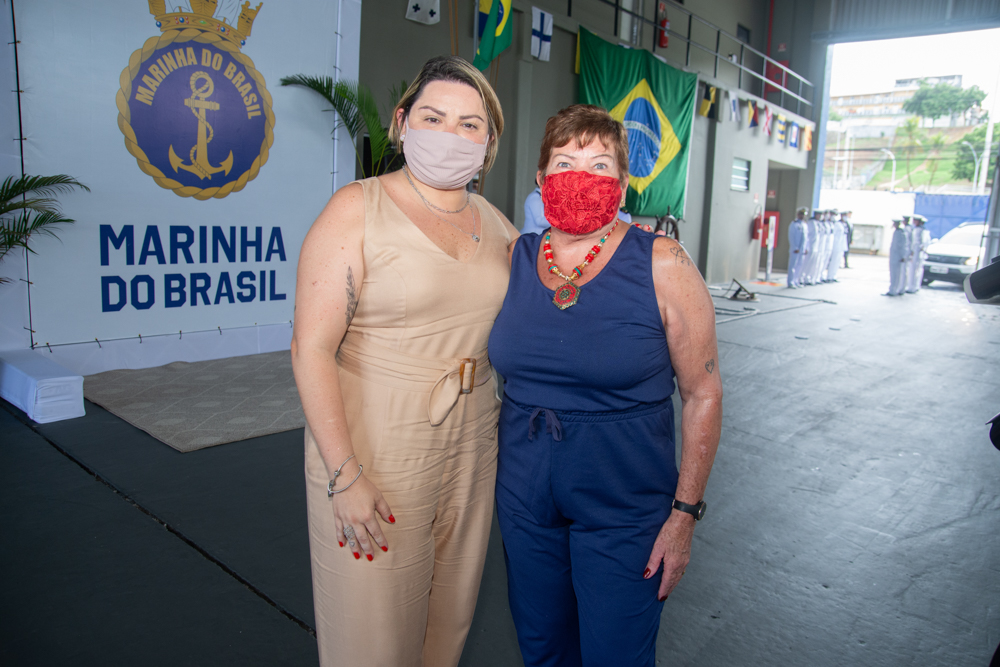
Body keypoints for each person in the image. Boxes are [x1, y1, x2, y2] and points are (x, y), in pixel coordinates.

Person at [291, 56, 518, 667]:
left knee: (448, 622)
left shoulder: (500, 228)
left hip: (475, 444)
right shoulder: (355, 209)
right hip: (377, 444)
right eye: (433, 117)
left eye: (470, 124)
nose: (451, 135)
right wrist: (344, 474)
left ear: (489, 141)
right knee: (371, 634)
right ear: (401, 122)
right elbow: (311, 347)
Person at [488, 105, 723, 666]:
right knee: (543, 649)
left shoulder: (662, 261)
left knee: (616, 654)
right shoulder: (515, 258)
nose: (581, 176)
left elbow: (704, 393)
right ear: (541, 178)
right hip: (524, 494)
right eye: (565, 163)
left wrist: (684, 514)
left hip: (625, 500)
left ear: (622, 182)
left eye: (599, 165)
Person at [906, 214, 930, 293]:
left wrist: (912, 252)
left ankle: (911, 287)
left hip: (916, 253)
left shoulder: (917, 230)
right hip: (919, 253)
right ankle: (915, 286)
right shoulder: (923, 230)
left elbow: (915, 243)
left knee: (913, 270)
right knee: (917, 270)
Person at [885, 217, 908, 296]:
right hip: (894, 256)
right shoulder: (897, 232)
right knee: (894, 274)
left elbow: (902, 246)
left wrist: (903, 256)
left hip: (897, 257)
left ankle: (893, 290)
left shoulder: (900, 233)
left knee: (896, 274)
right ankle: (893, 289)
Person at [787, 206, 809, 288]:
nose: (802, 216)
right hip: (795, 249)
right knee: (793, 265)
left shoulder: (804, 225)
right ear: (797, 214)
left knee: (799, 265)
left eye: (803, 214)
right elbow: (791, 237)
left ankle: (796, 280)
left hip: (802, 249)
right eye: (801, 214)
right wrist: (794, 247)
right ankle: (790, 281)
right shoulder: (794, 224)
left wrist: (806, 248)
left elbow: (806, 238)